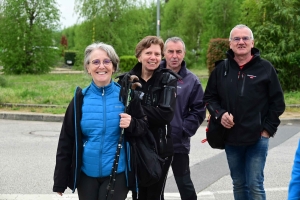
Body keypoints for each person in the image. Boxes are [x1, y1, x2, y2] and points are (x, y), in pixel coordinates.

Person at [53, 42, 148, 200]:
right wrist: (60, 180)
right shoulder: (79, 100)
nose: (101, 66)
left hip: (117, 173)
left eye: (106, 61)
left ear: (114, 66)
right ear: (88, 68)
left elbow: (143, 126)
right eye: (95, 62)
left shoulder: (127, 97)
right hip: (86, 175)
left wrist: (132, 123)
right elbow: (66, 141)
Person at [203, 24, 285, 200]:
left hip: (257, 138)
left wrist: (267, 130)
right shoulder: (220, 70)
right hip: (231, 139)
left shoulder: (265, 68)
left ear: (252, 42)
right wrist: (220, 114)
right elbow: (209, 98)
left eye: (245, 38)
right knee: (238, 184)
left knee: (255, 185)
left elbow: (278, 103)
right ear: (230, 44)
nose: (241, 42)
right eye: (237, 39)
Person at [118, 35, 180, 200]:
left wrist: (136, 111)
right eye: (148, 53)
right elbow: (120, 110)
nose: (153, 58)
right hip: (134, 145)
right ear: (139, 56)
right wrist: (148, 112)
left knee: (154, 196)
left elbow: (165, 114)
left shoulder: (168, 79)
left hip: (159, 148)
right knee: (137, 195)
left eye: (157, 54)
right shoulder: (126, 80)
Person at [160, 36, 206, 200]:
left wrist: (183, 130)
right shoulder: (153, 75)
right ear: (164, 53)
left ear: (184, 53)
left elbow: (199, 109)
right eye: (170, 51)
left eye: (178, 51)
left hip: (178, 143)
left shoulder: (191, 80)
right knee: (155, 186)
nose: (174, 55)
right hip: (154, 143)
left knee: (184, 183)